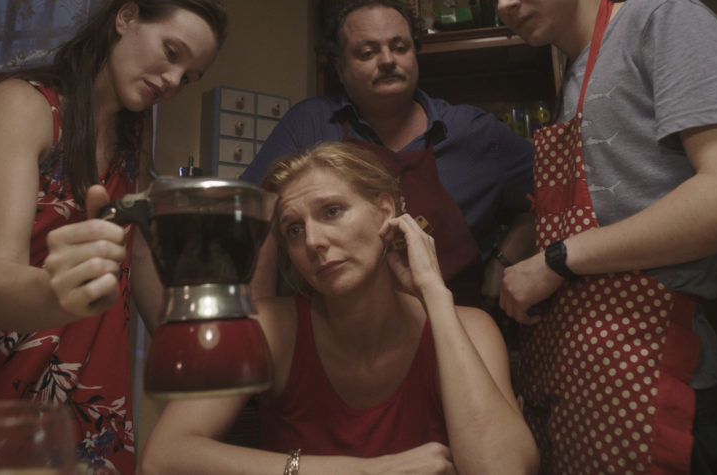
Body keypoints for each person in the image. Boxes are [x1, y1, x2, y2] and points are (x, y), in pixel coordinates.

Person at [456, 0, 717, 474]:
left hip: (654, 367)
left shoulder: (659, 18)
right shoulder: (569, 80)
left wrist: (557, 261)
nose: (503, 6)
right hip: (585, 378)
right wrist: (516, 253)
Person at [0, 0, 228, 474]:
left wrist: (209, 342)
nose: (174, 81)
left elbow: (136, 268)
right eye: (171, 53)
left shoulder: (133, 141)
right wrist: (60, 294)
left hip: (62, 396)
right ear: (126, 18)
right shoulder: (21, 105)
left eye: (189, 77)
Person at [139, 142, 539, 475]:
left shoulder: (471, 329)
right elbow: (162, 458)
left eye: (332, 211)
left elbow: (501, 469)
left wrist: (435, 293)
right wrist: (365, 472)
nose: (313, 241)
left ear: (385, 212)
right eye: (294, 230)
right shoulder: (267, 327)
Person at [242, 0, 535, 307]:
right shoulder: (309, 124)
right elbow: (253, 213)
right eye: (367, 53)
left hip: (456, 323)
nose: (387, 60)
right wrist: (260, 316)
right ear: (340, 69)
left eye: (400, 47)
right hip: (333, 329)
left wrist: (505, 259)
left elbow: (555, 193)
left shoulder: (475, 132)